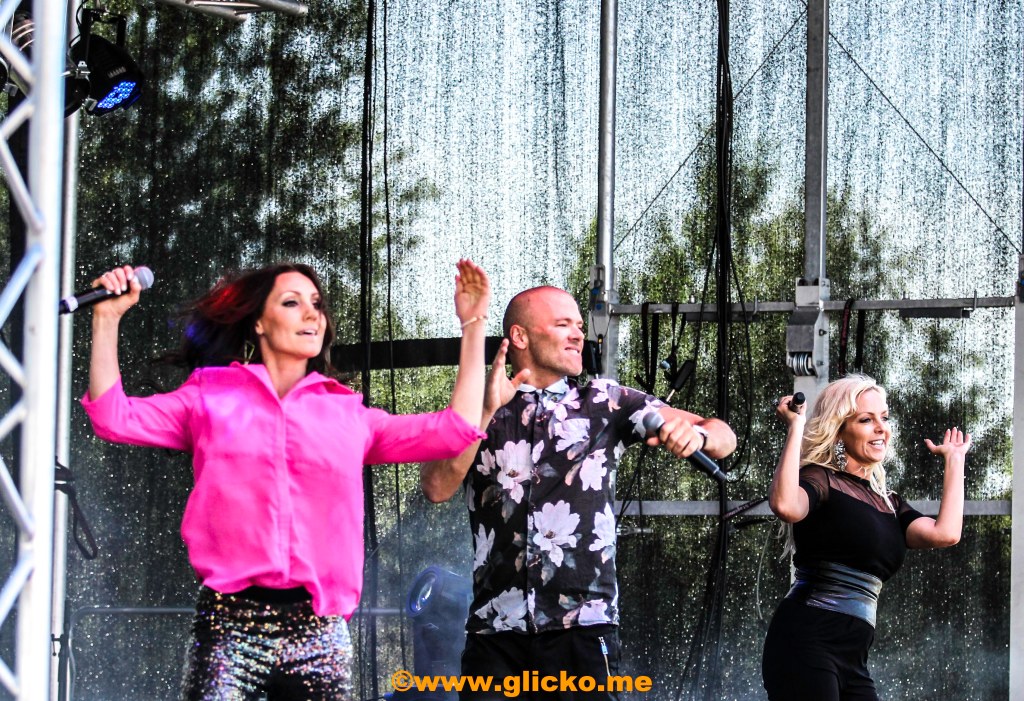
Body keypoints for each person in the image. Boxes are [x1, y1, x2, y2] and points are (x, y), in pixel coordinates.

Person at [81, 259, 492, 700]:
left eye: (316, 303)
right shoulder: (208, 398)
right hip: (230, 625)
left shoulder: (348, 413)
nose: (312, 313)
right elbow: (112, 417)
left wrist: (473, 325)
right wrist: (107, 318)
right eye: (292, 302)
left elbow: (456, 429)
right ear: (258, 322)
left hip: (320, 631)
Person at [420, 285, 736, 700]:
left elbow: (724, 436)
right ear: (520, 336)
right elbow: (436, 486)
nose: (577, 335)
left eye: (580, 326)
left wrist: (698, 435)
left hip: (583, 628)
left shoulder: (605, 401)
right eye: (563, 324)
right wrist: (483, 411)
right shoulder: (475, 407)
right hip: (495, 633)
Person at [762, 374, 970, 701]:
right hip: (805, 640)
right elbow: (786, 505)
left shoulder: (890, 503)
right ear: (839, 429)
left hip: (853, 656)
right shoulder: (822, 480)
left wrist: (955, 461)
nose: (880, 428)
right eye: (866, 419)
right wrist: (796, 426)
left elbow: (945, 533)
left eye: (884, 418)